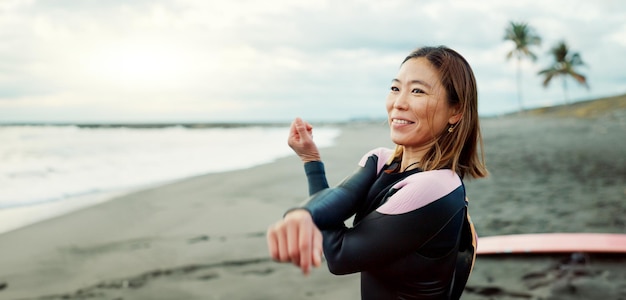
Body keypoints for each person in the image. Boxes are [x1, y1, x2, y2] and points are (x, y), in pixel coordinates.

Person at [266, 46, 488, 300]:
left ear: (455, 111)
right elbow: (341, 198)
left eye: (417, 91)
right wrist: (310, 167)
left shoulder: (435, 187)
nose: (399, 103)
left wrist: (309, 216)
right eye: (395, 88)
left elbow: (339, 256)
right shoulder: (383, 160)